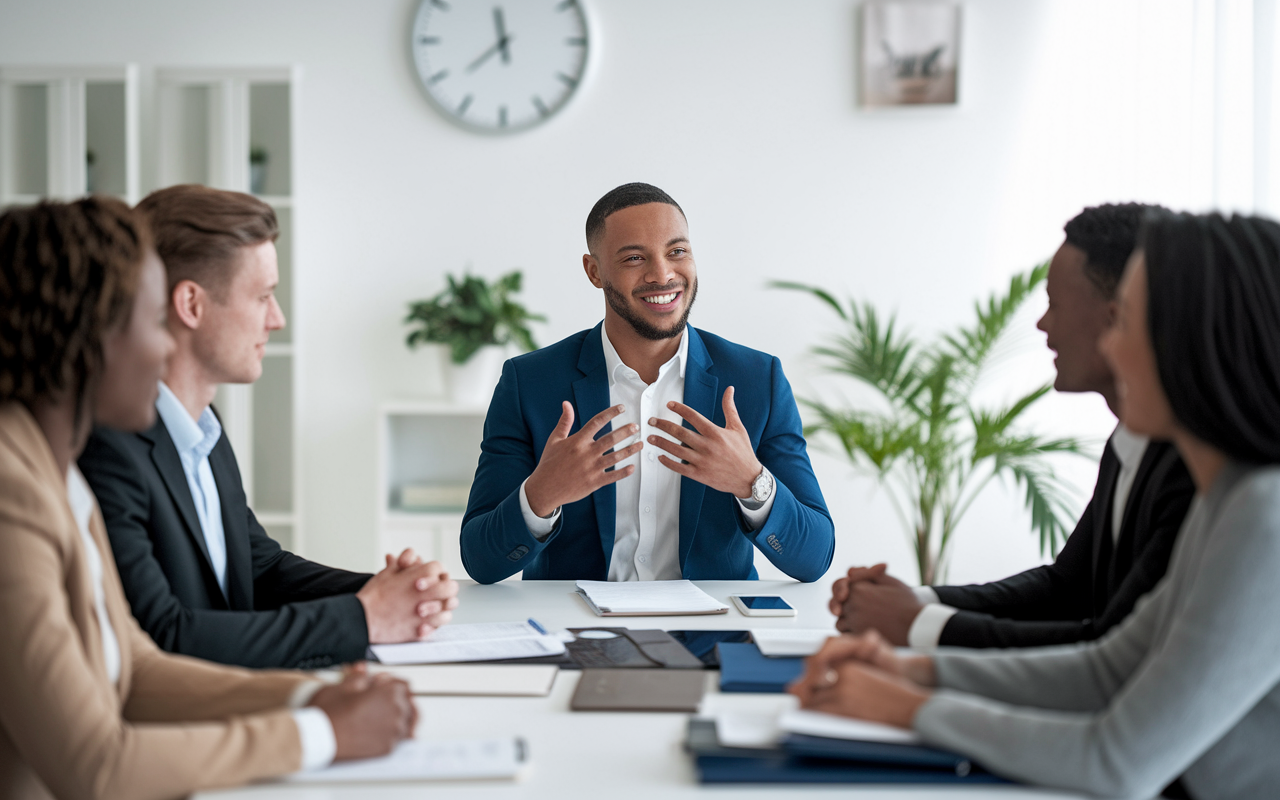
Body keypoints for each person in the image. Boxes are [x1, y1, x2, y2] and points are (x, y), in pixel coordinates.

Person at [789, 210, 1280, 800]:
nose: (1112, 349)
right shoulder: (1226, 501)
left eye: (1124, 322)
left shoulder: (1264, 516)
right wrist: (915, 670)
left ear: (1191, 342)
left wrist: (908, 707)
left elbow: (1117, 760)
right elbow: (1105, 670)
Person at [0, 198, 415, 799]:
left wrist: (313, 696)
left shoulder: (55, 472)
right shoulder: (13, 493)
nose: (167, 349)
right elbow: (95, 767)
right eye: (151, 321)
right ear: (89, 335)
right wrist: (319, 733)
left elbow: (135, 670)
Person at [78, 185, 458, 670]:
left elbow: (258, 569)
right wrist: (365, 617)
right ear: (191, 305)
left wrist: (390, 593)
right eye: (262, 296)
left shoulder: (204, 426)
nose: (276, 320)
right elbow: (161, 636)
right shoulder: (108, 446)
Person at [828, 203, 1196, 649]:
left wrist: (917, 624)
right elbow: (1065, 590)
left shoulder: (1192, 467)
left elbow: (1109, 649)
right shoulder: (1129, 443)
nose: (1042, 324)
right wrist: (913, 601)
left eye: (1054, 305)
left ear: (1118, 314)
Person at [460, 183, 835, 584]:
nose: (662, 274)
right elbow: (482, 562)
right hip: (577, 635)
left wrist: (751, 482)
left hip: (712, 637)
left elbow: (813, 558)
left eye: (677, 252)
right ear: (594, 271)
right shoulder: (529, 383)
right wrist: (541, 495)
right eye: (635, 257)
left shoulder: (759, 381)